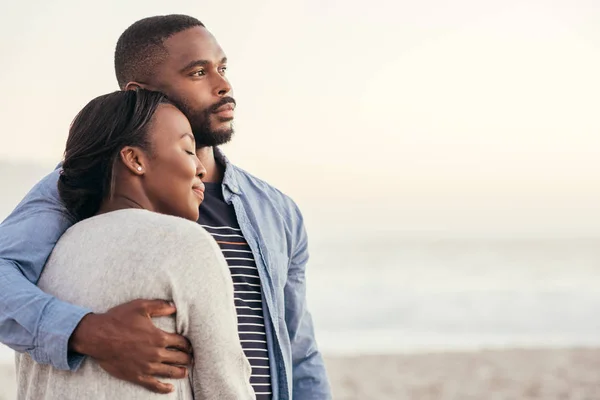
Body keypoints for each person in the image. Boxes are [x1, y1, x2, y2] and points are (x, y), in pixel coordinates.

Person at [0, 14, 331, 400]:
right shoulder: (85, 185)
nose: (224, 85)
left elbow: (298, 350)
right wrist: (86, 331)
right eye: (197, 73)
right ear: (141, 92)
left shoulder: (275, 210)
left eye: (222, 68)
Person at [15, 89, 255, 400]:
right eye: (187, 150)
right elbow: (226, 389)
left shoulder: (47, 257)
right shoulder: (184, 243)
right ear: (135, 159)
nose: (201, 168)